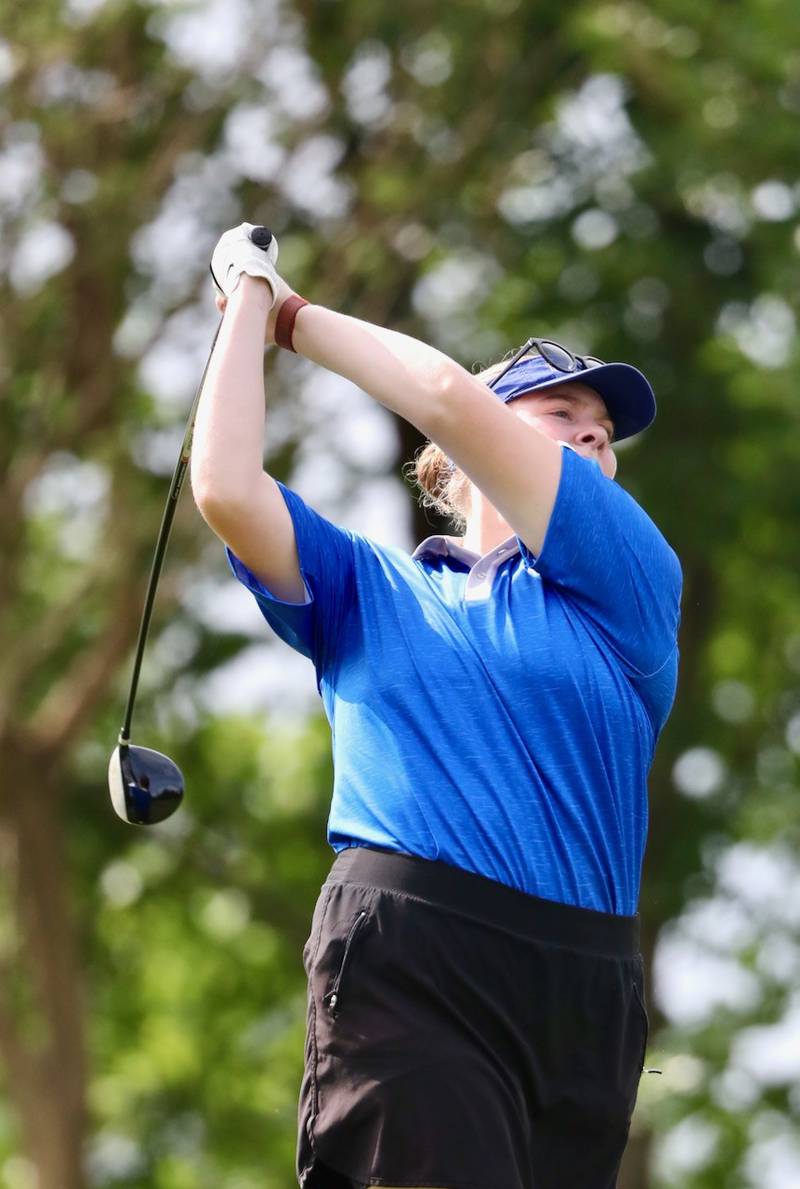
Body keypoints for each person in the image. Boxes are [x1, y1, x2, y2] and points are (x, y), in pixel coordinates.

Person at [192, 223, 682, 1189]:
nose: (593, 434)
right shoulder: (369, 588)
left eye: (602, 430)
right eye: (560, 414)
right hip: (416, 962)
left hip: (587, 992)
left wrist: (288, 310)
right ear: (459, 462)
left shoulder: (630, 580)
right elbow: (225, 486)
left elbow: (449, 395)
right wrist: (252, 308)